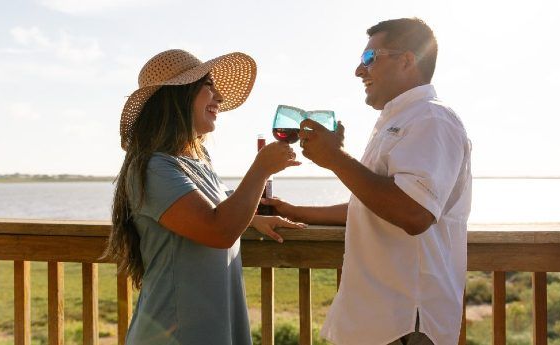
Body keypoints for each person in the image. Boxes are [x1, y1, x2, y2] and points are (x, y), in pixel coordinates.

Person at [263, 18, 472, 344]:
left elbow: (414, 212)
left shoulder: (431, 119)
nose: (359, 71)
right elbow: (370, 205)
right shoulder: (399, 120)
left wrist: (335, 159)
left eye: (369, 59)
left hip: (404, 323)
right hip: (379, 321)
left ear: (407, 60)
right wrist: (293, 211)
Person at [104, 49, 304, 345]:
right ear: (178, 96)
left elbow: (215, 211)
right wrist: (261, 169)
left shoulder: (197, 162)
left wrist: (252, 219)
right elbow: (218, 229)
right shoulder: (153, 168)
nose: (219, 98)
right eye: (208, 85)